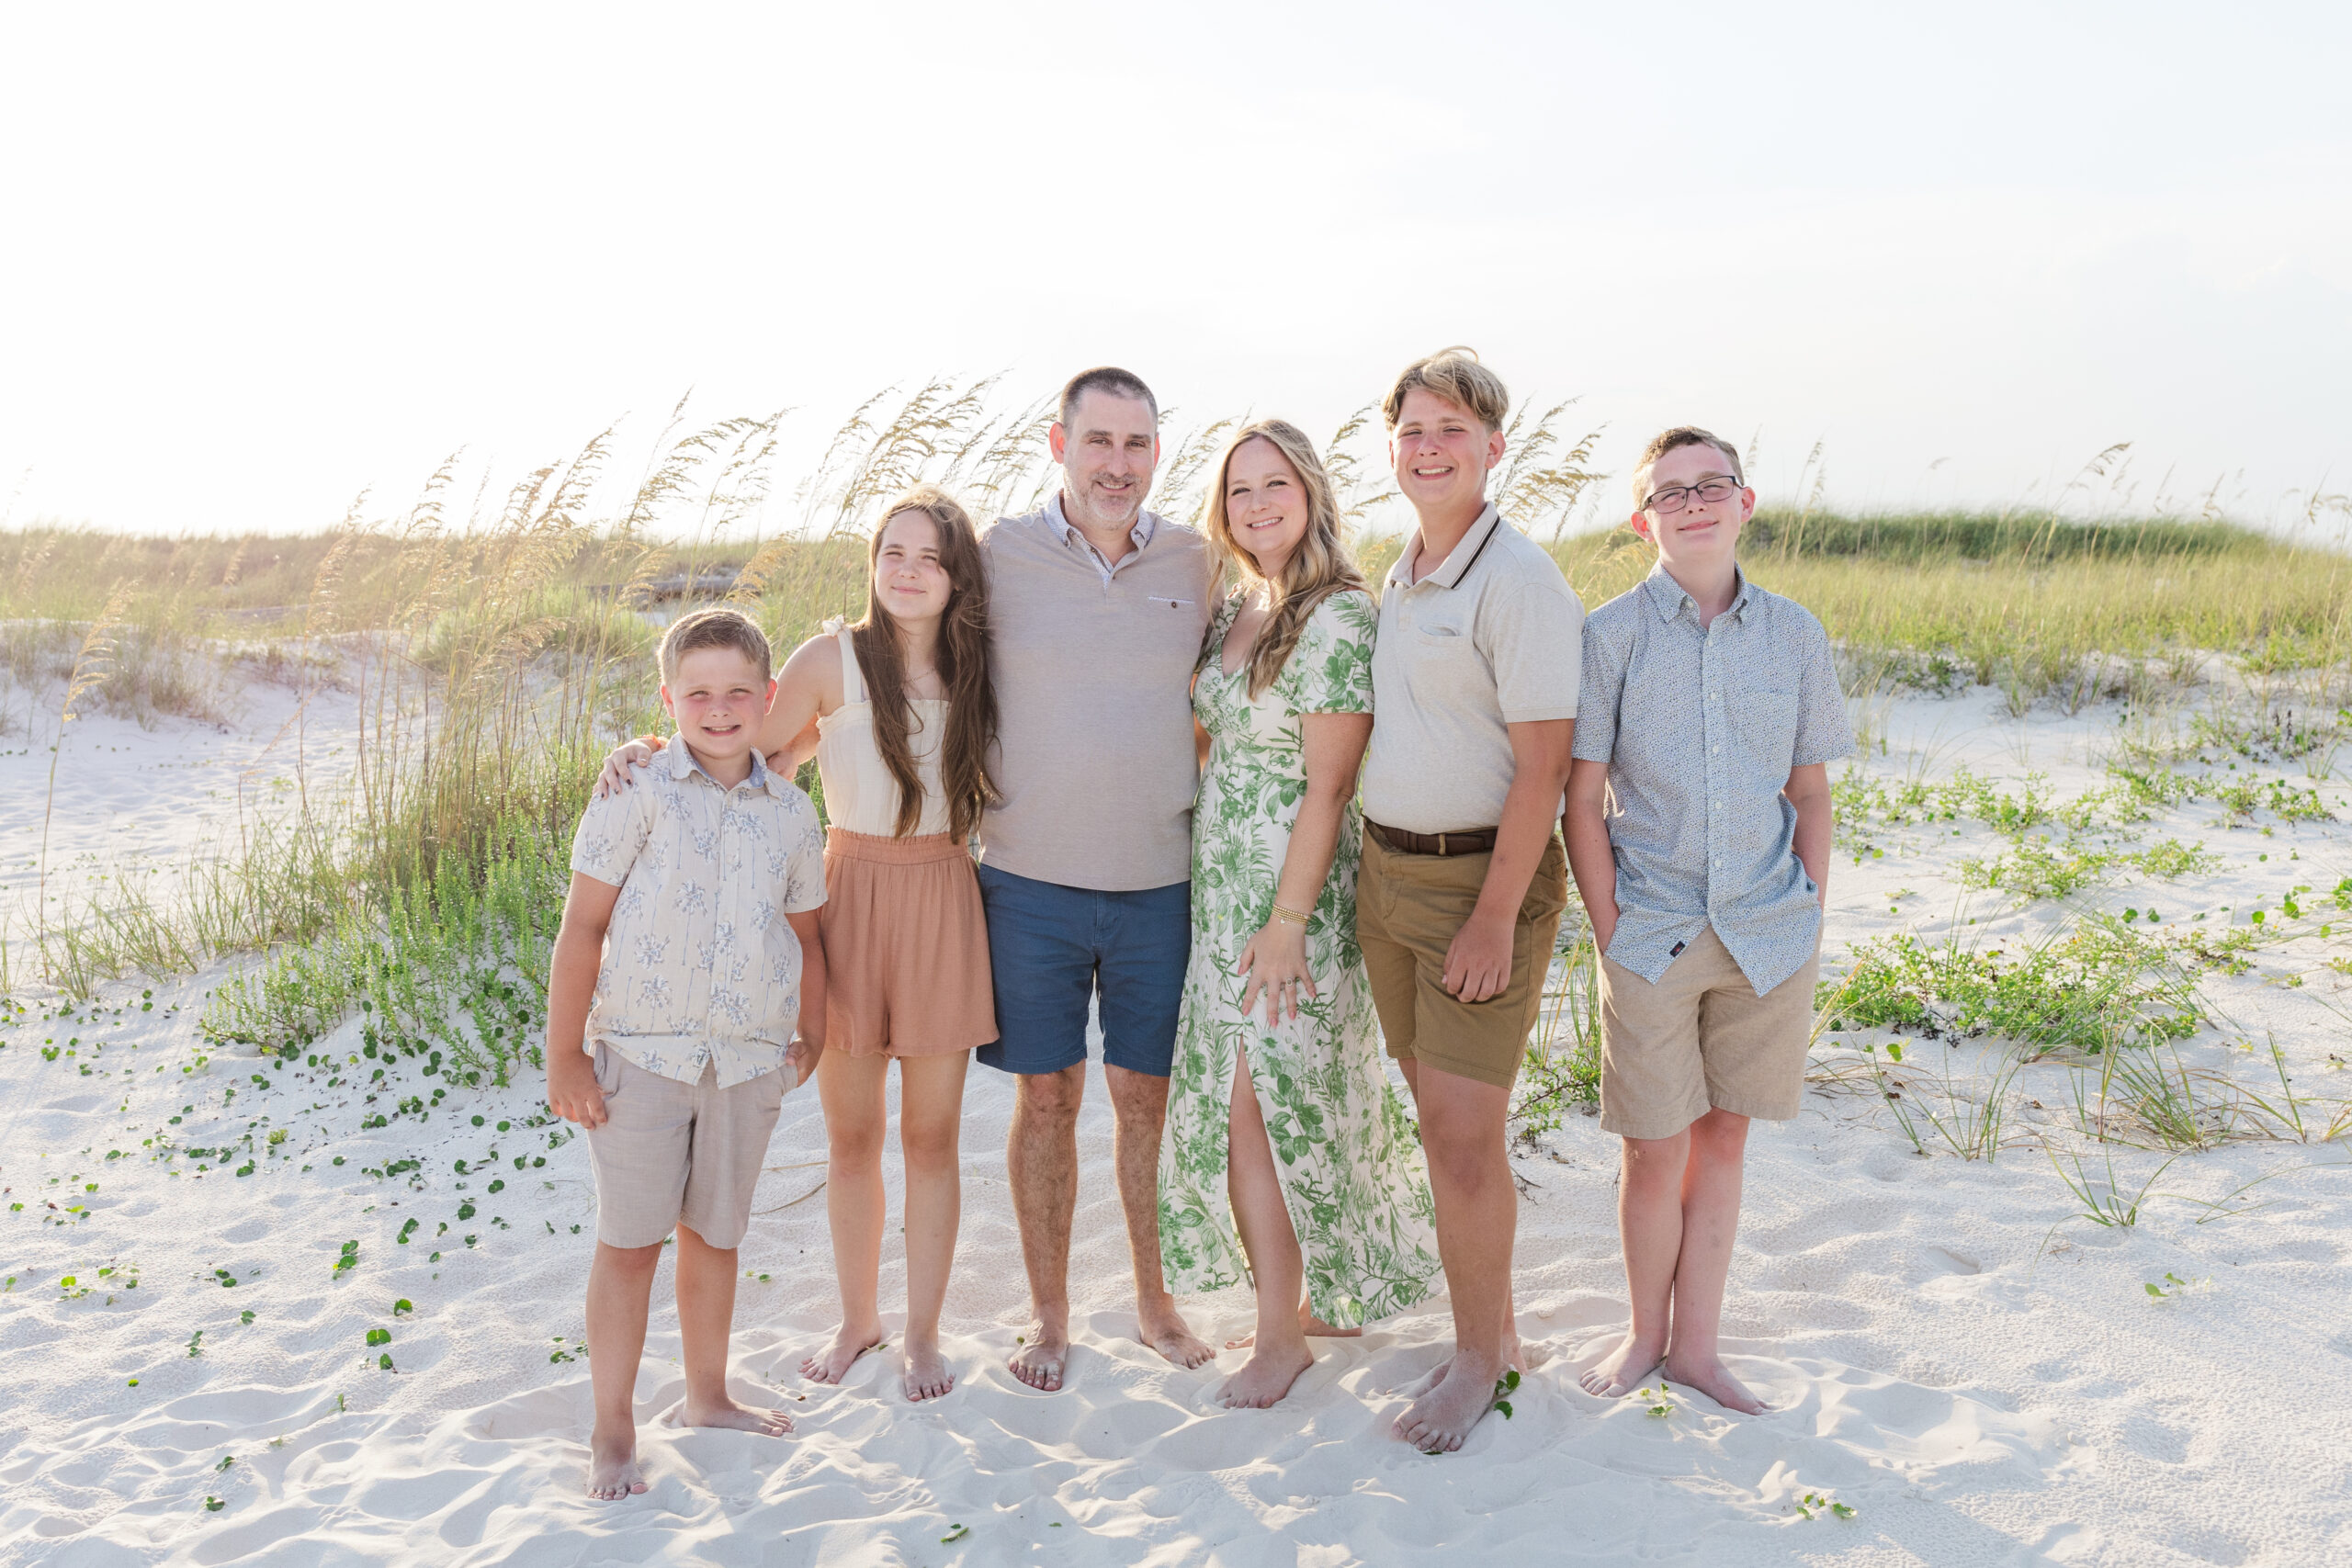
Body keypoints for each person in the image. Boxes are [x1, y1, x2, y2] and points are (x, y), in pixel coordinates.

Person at [597, 487, 1001, 1404]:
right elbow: (729, 745)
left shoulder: (983, 666)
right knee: (852, 1137)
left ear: (955, 575)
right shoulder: (832, 659)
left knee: (931, 1138)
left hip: (944, 890)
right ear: (871, 563)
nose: (906, 569)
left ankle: (924, 1335)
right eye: (891, 551)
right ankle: (860, 1319)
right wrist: (637, 749)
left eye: (928, 557)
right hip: (846, 891)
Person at [1157, 419, 1442, 1409]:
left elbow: (1327, 787)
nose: (1257, 504)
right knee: (1281, 1103)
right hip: (1221, 886)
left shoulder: (1337, 617)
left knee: (1258, 1109)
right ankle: (1312, 1301)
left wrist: (1285, 922)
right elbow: (1209, 737)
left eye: (1274, 484)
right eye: (1239, 491)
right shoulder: (1241, 603)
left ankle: (1281, 1337)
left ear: (1311, 492)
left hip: (1292, 899)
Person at [1566, 426, 1849, 1414]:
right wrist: (1609, 924)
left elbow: (1808, 791)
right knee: (1654, 1145)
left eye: (1711, 485)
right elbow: (1581, 797)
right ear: (1642, 516)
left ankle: (1699, 1348)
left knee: (1725, 1138)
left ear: (1745, 501)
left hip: (1769, 930)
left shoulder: (1795, 635)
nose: (1693, 503)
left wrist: (1807, 905)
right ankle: (1646, 1334)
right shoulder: (1608, 635)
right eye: (1670, 492)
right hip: (1651, 928)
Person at [545, 605, 829, 1501]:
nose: (718, 708)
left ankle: (707, 1394)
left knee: (715, 1234)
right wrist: (566, 1058)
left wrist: (809, 1030)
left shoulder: (789, 812)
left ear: (769, 698)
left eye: (739, 692)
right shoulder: (635, 789)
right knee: (630, 1243)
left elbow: (808, 936)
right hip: (643, 1055)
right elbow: (582, 928)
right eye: (697, 693)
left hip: (747, 1059)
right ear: (668, 699)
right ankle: (613, 1426)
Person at [1354, 348, 1584, 1452]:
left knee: (1460, 1136)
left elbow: (1542, 768)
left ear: (1494, 447)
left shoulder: (1520, 580)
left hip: (1476, 885)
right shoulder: (1399, 570)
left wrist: (1496, 915)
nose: (1428, 446)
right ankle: (1493, 1331)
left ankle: (1479, 1361)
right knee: (1437, 1119)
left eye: (1451, 427)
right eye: (1410, 429)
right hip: (1386, 877)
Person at [976, 366, 1216, 1391]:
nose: (1116, 464)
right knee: (1046, 1100)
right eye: (1098, 442)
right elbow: (896, 648)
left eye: (1136, 444)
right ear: (1057, 444)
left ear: (1157, 452)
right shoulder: (997, 556)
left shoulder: (1198, 561)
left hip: (1159, 882)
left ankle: (1155, 1303)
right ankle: (1048, 1313)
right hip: (1027, 881)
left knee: (1145, 1101)